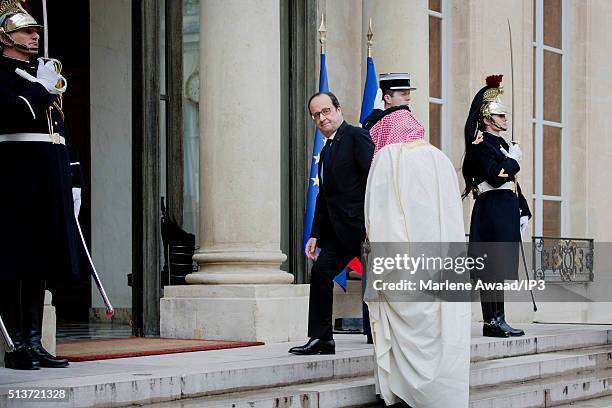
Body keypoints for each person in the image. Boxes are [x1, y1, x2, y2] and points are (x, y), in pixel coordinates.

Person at [364, 106, 471, 407]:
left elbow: (382, 216)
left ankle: (408, 393)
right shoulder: (441, 158)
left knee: (408, 331)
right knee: (440, 332)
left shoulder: (390, 157)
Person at [0, 1, 83, 369]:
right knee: (14, 263)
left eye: (36, 31)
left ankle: (34, 342)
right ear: (5, 36)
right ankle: (16, 345)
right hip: (15, 178)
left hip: (47, 179)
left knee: (38, 265)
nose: (35, 36)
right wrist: (42, 90)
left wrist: (74, 178)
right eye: (26, 31)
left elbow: (60, 130)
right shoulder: (4, 74)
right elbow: (10, 112)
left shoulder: (43, 75)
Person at [289, 91, 374, 355]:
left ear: (338, 109)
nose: (322, 118)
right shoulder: (326, 152)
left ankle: (389, 336)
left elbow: (374, 180)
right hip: (339, 232)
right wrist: (315, 235)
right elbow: (325, 198)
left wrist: (373, 223)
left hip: (364, 228)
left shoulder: (356, 136)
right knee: (321, 273)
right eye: (316, 114)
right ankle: (322, 338)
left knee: (382, 283)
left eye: (326, 111)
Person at [462, 74, 531, 338]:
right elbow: (496, 175)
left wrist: (523, 208)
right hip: (491, 211)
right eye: (500, 116)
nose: (505, 120)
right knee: (491, 268)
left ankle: (497, 319)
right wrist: (513, 160)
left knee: (498, 267)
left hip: (504, 209)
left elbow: (512, 183)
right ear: (488, 119)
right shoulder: (481, 146)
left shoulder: (501, 145)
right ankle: (493, 321)